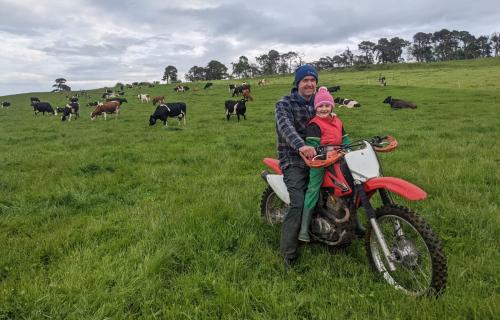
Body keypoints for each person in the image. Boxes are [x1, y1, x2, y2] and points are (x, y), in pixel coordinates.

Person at [275, 64, 318, 266]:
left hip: (318, 155)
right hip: (292, 157)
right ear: (298, 83)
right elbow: (285, 126)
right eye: (305, 80)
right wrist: (301, 146)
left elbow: (328, 121)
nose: (309, 84)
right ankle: (288, 253)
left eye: (313, 80)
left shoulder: (318, 102)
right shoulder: (284, 103)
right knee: (298, 202)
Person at [297, 87, 350, 242]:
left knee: (350, 187)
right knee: (314, 187)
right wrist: (324, 154)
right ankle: (304, 229)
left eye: (327, 105)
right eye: (320, 106)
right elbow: (312, 146)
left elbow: (345, 139)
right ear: (316, 108)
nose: (324, 108)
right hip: (320, 161)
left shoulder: (338, 121)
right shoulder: (314, 124)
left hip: (338, 159)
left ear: (332, 106)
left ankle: (353, 221)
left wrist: (347, 149)